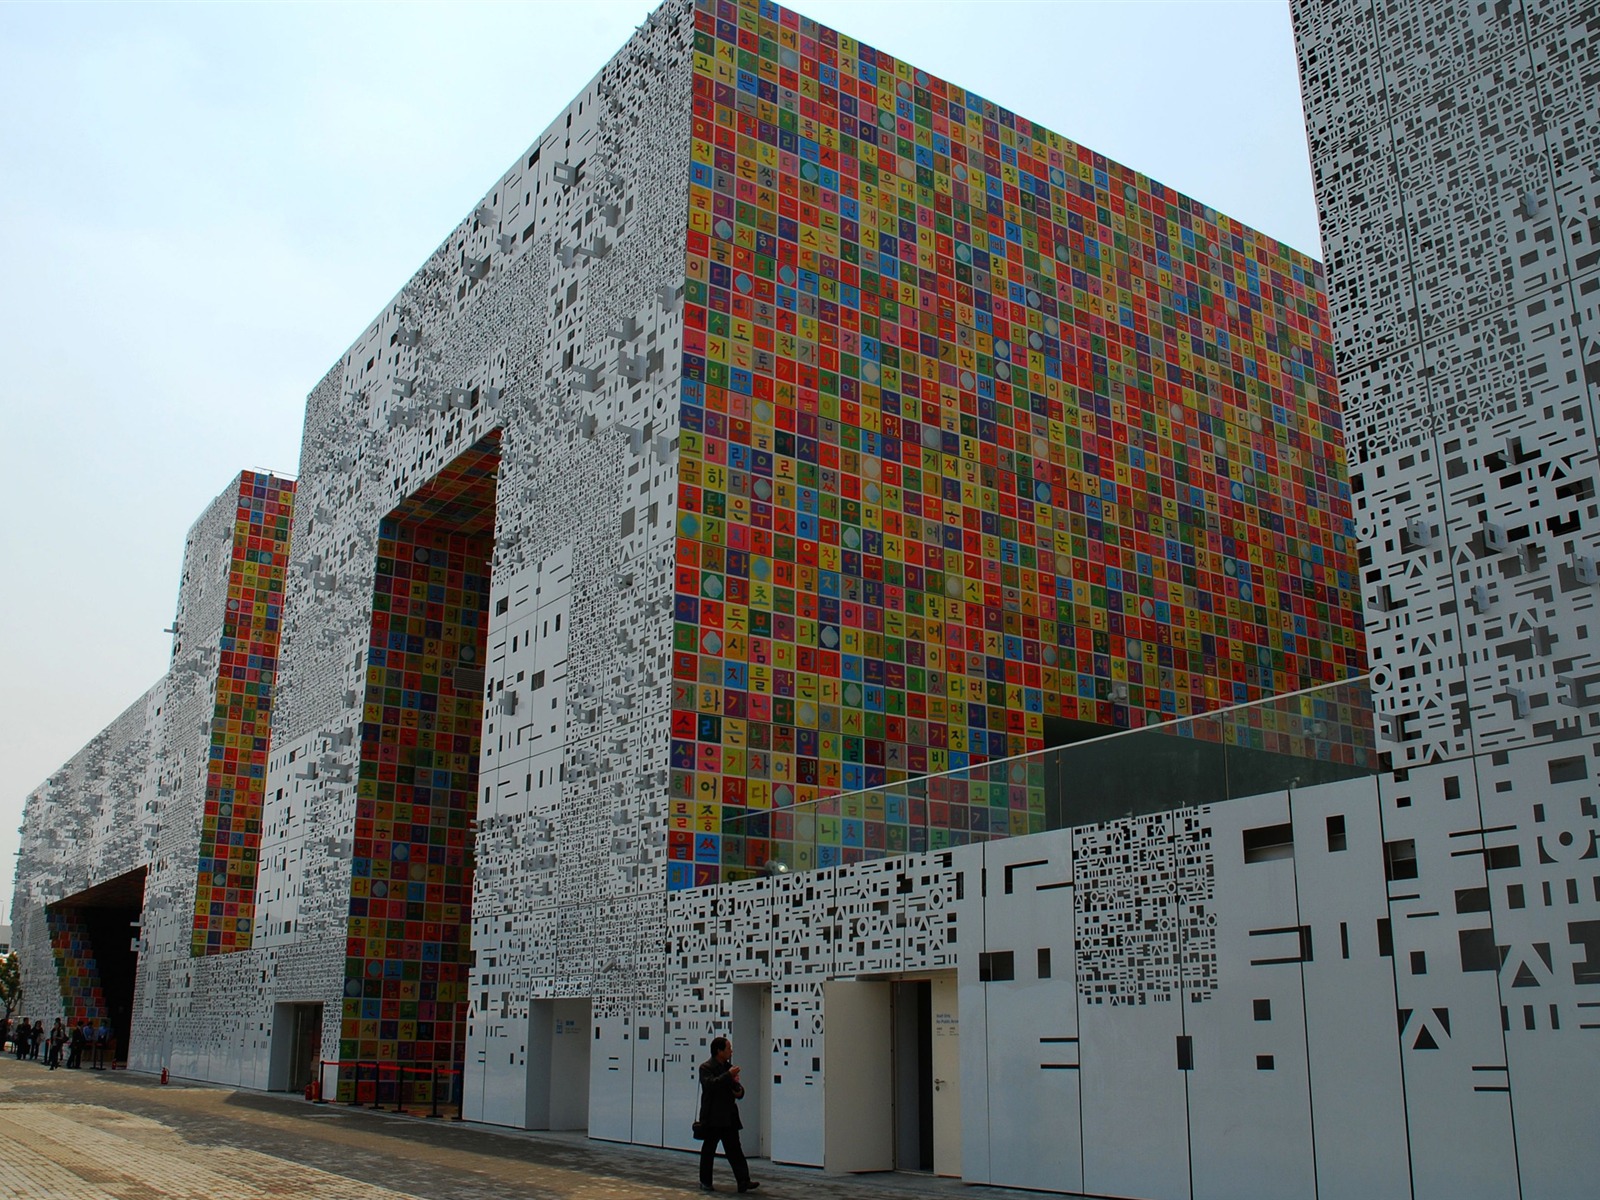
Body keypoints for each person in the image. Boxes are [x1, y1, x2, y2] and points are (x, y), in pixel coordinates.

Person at [697, 1036, 758, 1193]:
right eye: (728, 1048)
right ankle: (705, 1181)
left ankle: (744, 1181)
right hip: (713, 1117)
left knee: (735, 1149)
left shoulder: (729, 1068)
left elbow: (738, 1089)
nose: (731, 1051)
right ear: (719, 1051)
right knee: (709, 1150)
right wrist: (728, 1076)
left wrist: (739, 1091)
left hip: (729, 1116)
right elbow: (711, 1085)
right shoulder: (706, 1067)